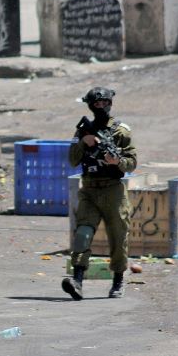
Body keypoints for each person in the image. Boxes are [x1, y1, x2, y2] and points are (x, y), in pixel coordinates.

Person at [64, 87, 137, 301]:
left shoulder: (121, 131)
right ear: (90, 105)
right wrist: (82, 143)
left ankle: (118, 281)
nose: (101, 107)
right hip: (89, 188)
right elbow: (72, 160)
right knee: (83, 234)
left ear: (110, 103)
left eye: (105, 103)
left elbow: (132, 163)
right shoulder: (83, 131)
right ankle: (77, 280)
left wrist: (118, 161)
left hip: (113, 189)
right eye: (97, 104)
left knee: (118, 237)